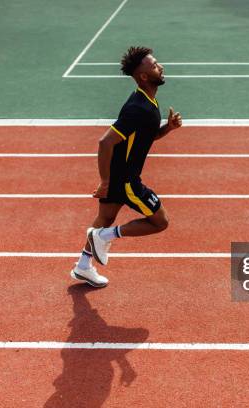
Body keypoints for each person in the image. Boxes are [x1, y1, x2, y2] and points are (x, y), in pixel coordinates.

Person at [71, 46, 183, 287]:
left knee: (105, 218)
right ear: (143, 76)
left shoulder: (147, 101)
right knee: (160, 222)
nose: (160, 66)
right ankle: (104, 237)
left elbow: (145, 136)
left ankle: (83, 266)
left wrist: (168, 128)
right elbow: (105, 142)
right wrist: (105, 182)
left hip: (118, 175)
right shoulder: (138, 108)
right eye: (154, 65)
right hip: (126, 180)